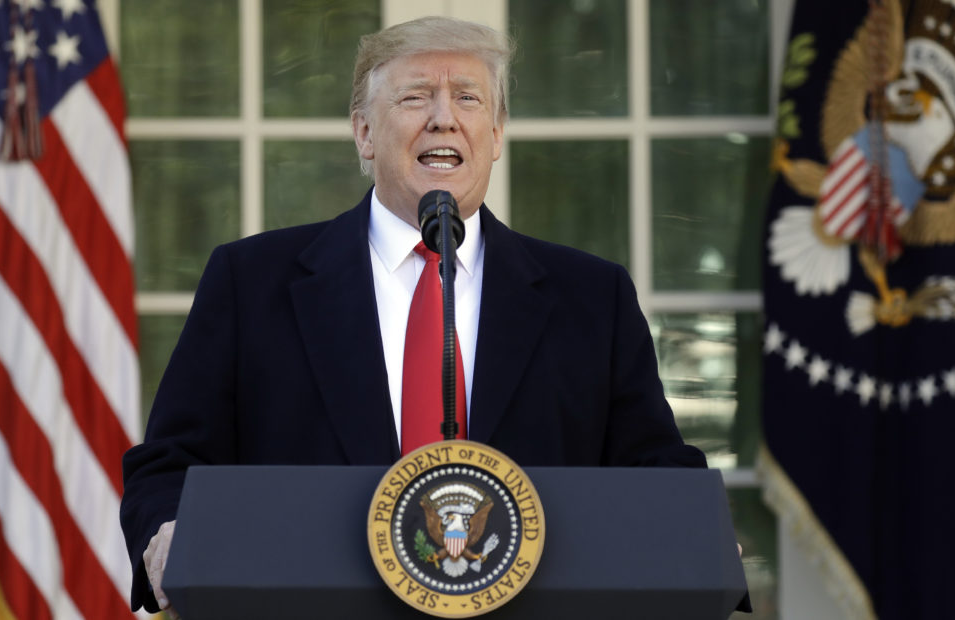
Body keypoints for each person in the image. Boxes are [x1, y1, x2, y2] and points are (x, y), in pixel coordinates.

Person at [120, 16, 706, 616]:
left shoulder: (591, 295)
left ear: (497, 133)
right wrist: (166, 534)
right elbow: (169, 463)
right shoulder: (251, 281)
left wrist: (697, 531)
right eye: (416, 96)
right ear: (364, 132)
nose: (444, 117)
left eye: (468, 98)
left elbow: (652, 465)